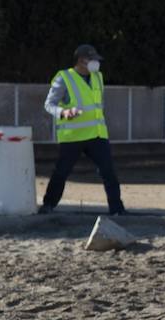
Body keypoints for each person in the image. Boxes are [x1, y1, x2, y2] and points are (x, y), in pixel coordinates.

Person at [39, 44, 126, 216]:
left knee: (108, 171)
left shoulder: (98, 77)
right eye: (92, 59)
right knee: (61, 172)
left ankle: (117, 210)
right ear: (81, 60)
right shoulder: (64, 77)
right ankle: (48, 205)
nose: (96, 63)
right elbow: (49, 104)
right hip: (73, 136)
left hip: (97, 135)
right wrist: (64, 113)